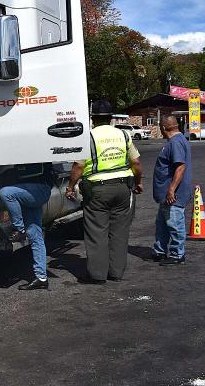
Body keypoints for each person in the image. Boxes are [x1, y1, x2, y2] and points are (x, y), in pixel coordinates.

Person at [65, 100, 143, 284]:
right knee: (119, 231)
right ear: (111, 118)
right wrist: (138, 183)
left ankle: (97, 275)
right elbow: (136, 163)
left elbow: (79, 165)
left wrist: (70, 187)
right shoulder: (123, 135)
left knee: (97, 231)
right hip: (123, 187)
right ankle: (116, 272)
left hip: (97, 189)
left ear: (93, 119)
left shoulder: (88, 137)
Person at [0, 163, 54, 290]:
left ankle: (20, 229)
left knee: (6, 193)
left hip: (39, 188)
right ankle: (41, 278)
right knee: (36, 236)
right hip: (31, 189)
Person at [152, 115, 192, 266]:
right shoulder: (175, 141)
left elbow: (180, 167)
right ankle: (160, 250)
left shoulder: (175, 143)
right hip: (166, 195)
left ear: (163, 128)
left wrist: (171, 189)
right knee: (162, 224)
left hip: (173, 194)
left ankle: (177, 254)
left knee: (175, 224)